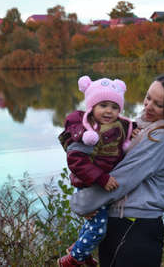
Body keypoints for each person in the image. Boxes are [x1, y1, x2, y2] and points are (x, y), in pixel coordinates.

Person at [68, 74, 164, 267]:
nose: (148, 106)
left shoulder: (160, 138)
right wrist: (82, 175)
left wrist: (82, 203)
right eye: (148, 98)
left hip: (136, 228)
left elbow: (121, 179)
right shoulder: (135, 127)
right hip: (117, 224)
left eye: (158, 104)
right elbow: (102, 160)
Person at [57, 75, 134, 267]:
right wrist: (101, 178)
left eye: (114, 107)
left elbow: (127, 132)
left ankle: (80, 251)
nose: (109, 111)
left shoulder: (117, 126)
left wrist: (136, 131)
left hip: (98, 184)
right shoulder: (87, 131)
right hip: (90, 185)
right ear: (92, 107)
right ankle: (72, 260)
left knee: (93, 223)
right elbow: (76, 161)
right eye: (103, 105)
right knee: (99, 229)